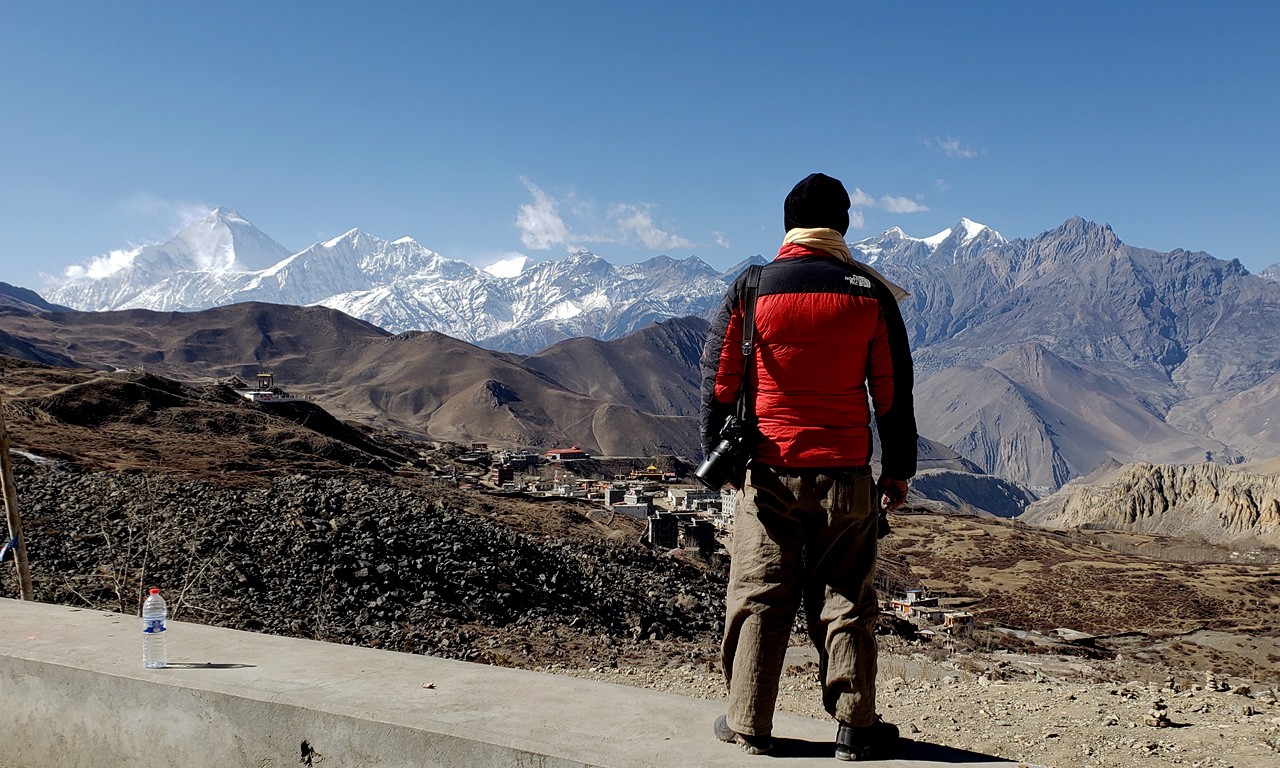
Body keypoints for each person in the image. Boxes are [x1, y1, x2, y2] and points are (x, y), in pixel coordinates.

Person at [700, 172, 917, 761]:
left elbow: (721, 383)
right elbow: (893, 394)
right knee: (846, 597)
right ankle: (854, 726)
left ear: (787, 223)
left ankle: (749, 722)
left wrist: (717, 462)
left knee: (760, 594)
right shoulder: (870, 294)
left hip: (769, 472)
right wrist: (897, 472)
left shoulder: (751, 289)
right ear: (842, 224)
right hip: (846, 474)